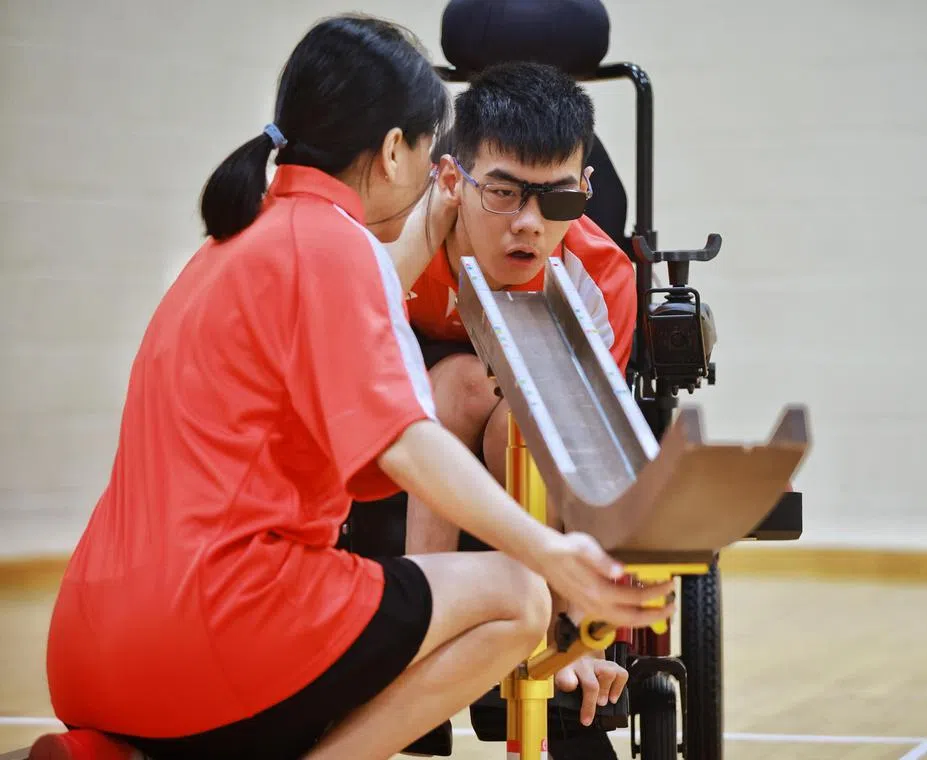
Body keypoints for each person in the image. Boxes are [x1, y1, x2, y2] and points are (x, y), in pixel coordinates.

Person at [34, 15, 672, 760]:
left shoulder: (232, 243)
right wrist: (551, 557)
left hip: (89, 647)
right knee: (517, 599)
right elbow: (407, 442)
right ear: (397, 150)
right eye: (431, 148)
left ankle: (122, 751)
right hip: (213, 628)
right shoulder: (332, 247)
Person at [364, 60, 639, 738]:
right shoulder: (394, 239)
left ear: (585, 189)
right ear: (453, 180)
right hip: (414, 425)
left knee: (525, 412)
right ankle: (423, 623)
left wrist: (584, 626)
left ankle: (548, 632)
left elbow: (585, 457)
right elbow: (343, 362)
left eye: (558, 200)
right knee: (454, 384)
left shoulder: (601, 279)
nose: (530, 224)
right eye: (504, 194)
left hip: (521, 443)